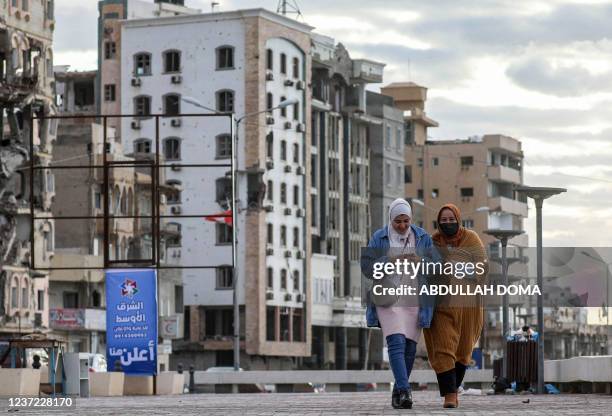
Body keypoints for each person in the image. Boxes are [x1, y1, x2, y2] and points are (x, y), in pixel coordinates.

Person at [361, 198, 437, 409]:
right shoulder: (379, 237)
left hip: (415, 297)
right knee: (396, 342)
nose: (402, 226)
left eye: (406, 221)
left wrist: (420, 261)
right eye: (398, 222)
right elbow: (367, 268)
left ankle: (398, 391)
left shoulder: (422, 237)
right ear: (390, 219)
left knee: (410, 348)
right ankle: (405, 391)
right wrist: (391, 260)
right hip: (388, 298)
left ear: (411, 219)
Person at [423, 203, 488, 409]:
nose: (448, 223)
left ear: (458, 220)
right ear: (439, 222)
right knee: (443, 349)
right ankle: (450, 395)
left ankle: (455, 388)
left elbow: (482, 266)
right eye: (444, 220)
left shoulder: (471, 239)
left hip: (469, 306)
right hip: (442, 305)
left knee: (463, 351)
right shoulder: (432, 242)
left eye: (451, 219)